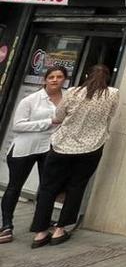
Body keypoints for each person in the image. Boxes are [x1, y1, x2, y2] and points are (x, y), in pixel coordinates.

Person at [30, 65, 119, 247]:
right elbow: (111, 115)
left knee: (48, 187)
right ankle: (60, 229)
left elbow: (59, 115)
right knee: (76, 186)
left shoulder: (73, 91)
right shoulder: (112, 93)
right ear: (108, 78)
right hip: (91, 147)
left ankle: (40, 232)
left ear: (87, 75)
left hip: (63, 145)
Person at [1, 66, 67, 243]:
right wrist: (48, 122)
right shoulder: (30, 100)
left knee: (47, 187)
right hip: (25, 148)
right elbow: (18, 125)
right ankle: (6, 226)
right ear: (45, 80)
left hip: (49, 147)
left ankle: (41, 223)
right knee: (15, 187)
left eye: (59, 77)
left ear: (64, 80)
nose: (55, 80)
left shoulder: (67, 99)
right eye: (51, 77)